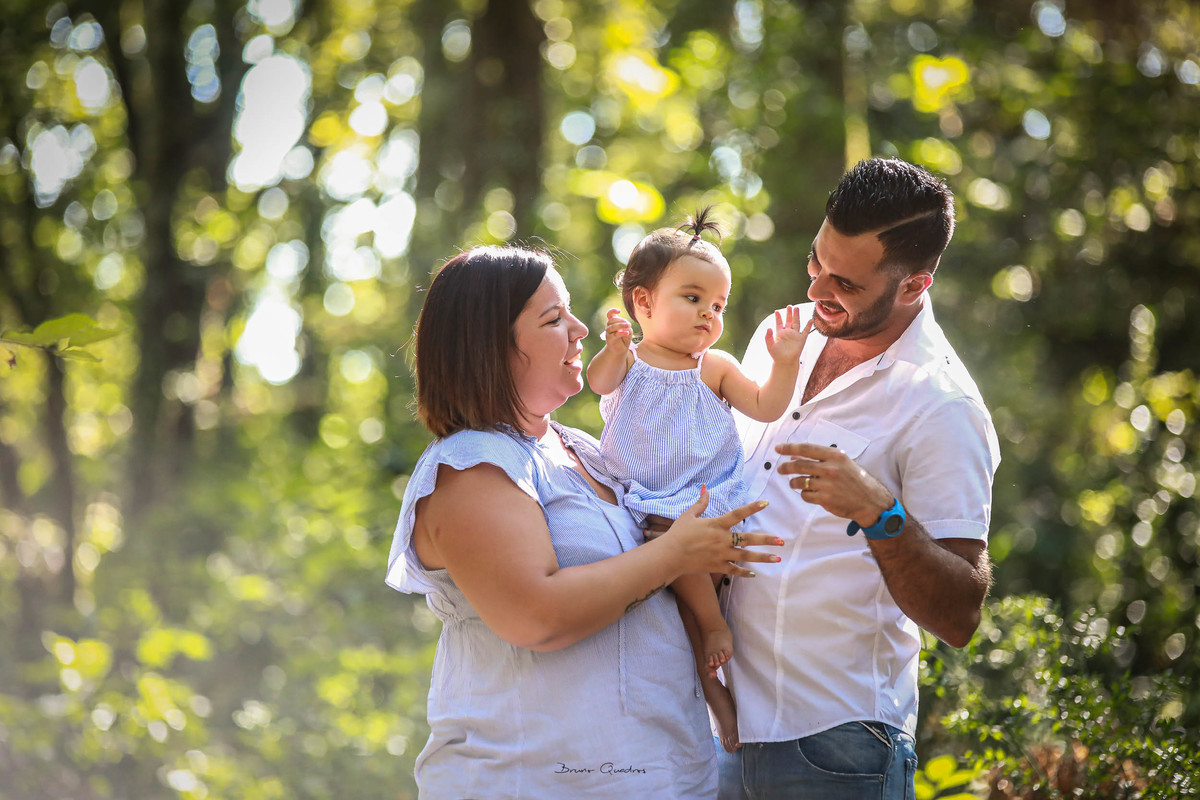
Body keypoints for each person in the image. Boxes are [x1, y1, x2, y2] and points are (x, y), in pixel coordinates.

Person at [385, 244, 784, 799]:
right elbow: (537, 616)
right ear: (489, 344)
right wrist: (676, 553)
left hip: (669, 777)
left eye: (570, 311)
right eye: (553, 319)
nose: (579, 329)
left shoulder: (586, 451)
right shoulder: (473, 467)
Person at [717, 158, 1001, 799]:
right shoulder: (777, 337)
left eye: (844, 282)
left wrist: (882, 513)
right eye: (816, 262)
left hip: (837, 747)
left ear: (913, 284)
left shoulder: (942, 405)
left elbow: (959, 613)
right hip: (719, 729)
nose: (818, 290)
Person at [586, 208, 809, 754]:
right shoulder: (631, 361)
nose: (709, 315)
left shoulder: (714, 366)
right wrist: (614, 348)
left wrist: (784, 364)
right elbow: (598, 382)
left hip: (712, 495)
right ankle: (717, 693)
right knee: (682, 585)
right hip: (651, 506)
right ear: (643, 303)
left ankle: (717, 656)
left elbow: (765, 405)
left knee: (688, 572)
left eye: (718, 306)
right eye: (693, 298)